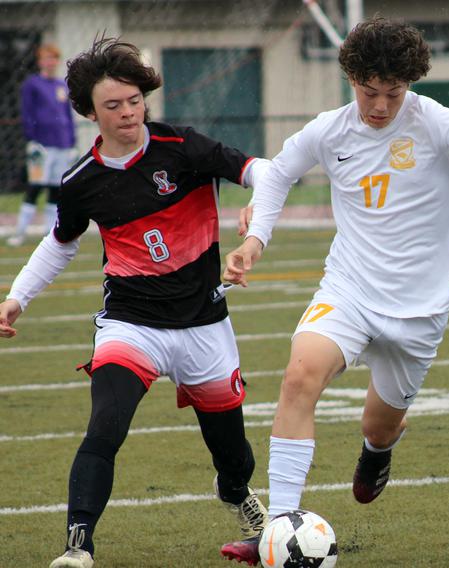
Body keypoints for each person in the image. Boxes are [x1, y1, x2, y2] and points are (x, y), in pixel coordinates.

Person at [219, 17, 449, 564]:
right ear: (350, 77)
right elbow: (278, 174)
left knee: (379, 424)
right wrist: (256, 239)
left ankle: (378, 450)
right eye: (368, 91)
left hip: (419, 313)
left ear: (411, 85)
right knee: (299, 374)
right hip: (349, 288)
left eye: (392, 94)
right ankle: (278, 530)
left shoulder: (439, 124)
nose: (379, 106)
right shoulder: (329, 130)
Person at [0, 38, 269, 568]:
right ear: (89, 112)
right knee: (106, 425)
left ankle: (236, 493)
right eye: (112, 105)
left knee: (233, 454)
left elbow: (260, 170)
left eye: (134, 100)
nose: (127, 113)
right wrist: (15, 299)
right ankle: (78, 545)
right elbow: (61, 242)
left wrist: (258, 212)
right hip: (131, 324)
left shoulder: (183, 147)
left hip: (203, 323)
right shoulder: (81, 180)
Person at [7, 43, 77, 247]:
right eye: (46, 58)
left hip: (62, 144)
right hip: (42, 145)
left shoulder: (61, 85)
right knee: (35, 186)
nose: (50, 62)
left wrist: (72, 142)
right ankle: (20, 232)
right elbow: (27, 113)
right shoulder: (32, 84)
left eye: (53, 58)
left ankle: (49, 233)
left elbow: (67, 115)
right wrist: (32, 139)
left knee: (56, 189)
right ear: (40, 61)